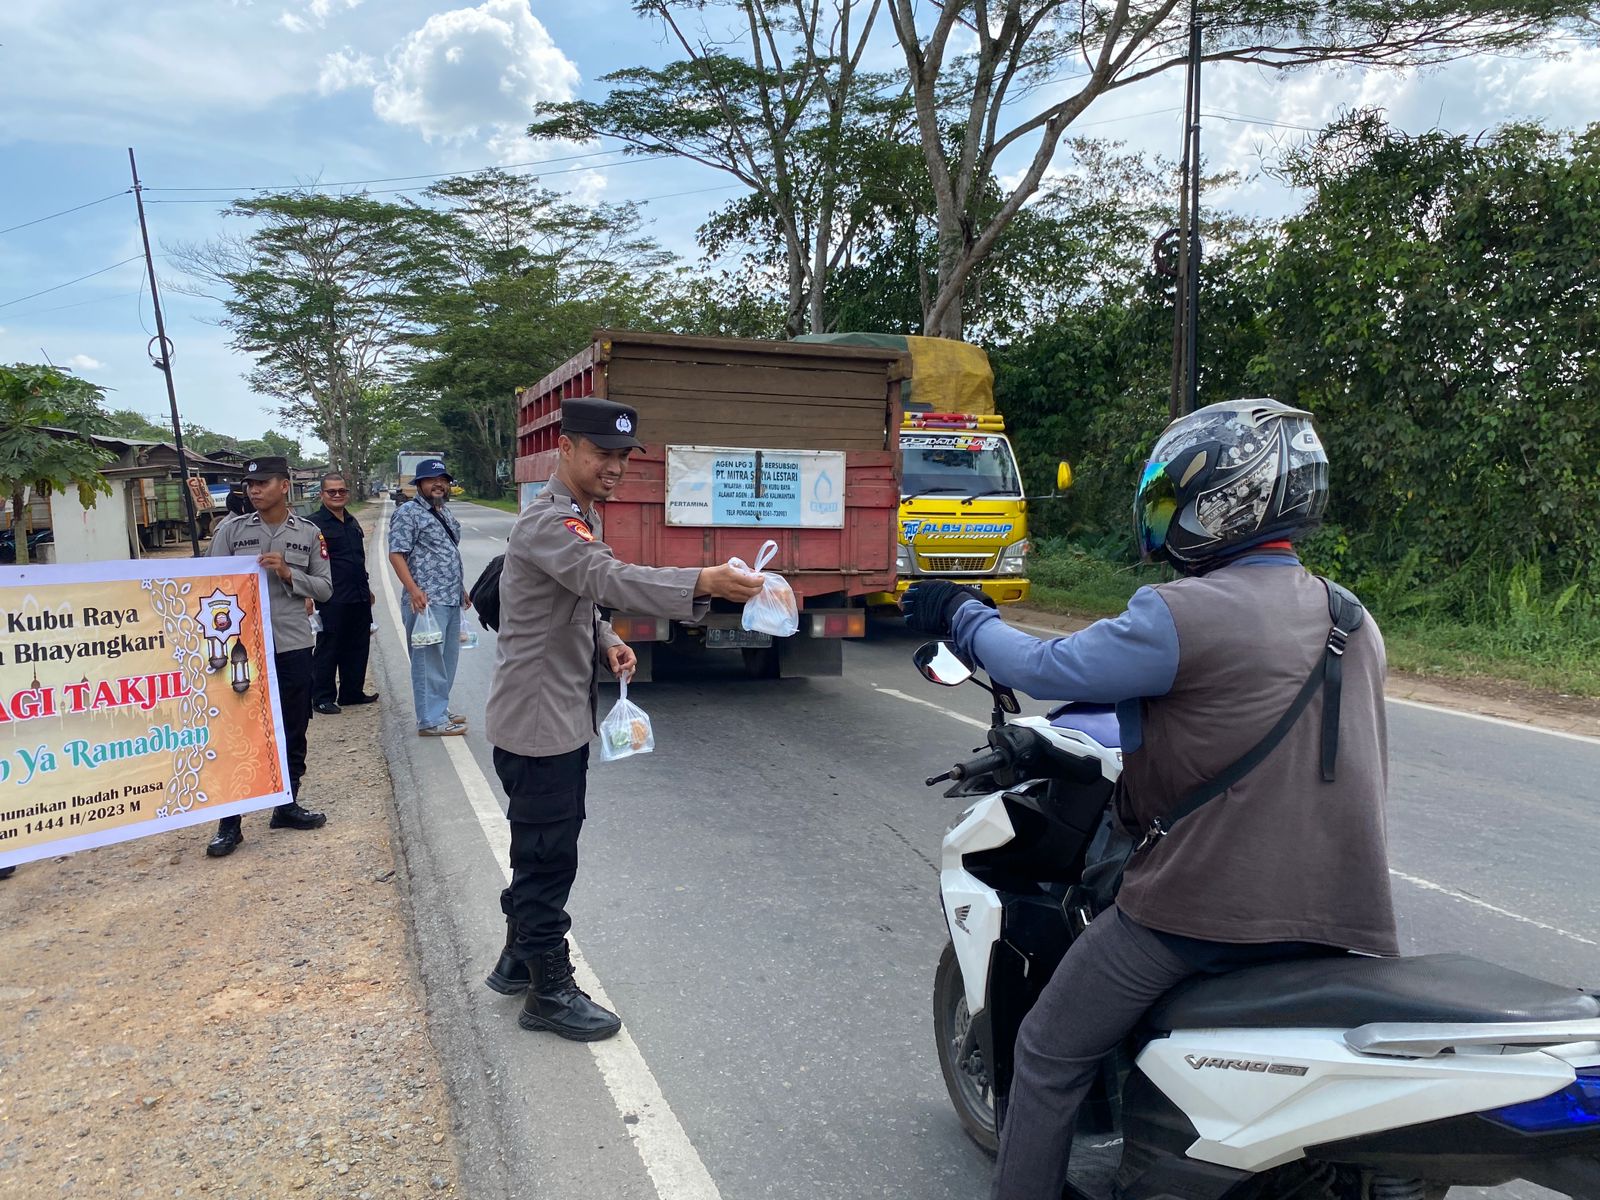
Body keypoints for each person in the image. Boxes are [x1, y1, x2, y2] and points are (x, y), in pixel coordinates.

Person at [902, 399, 1396, 1200]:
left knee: (1047, 1050)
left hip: (1205, 916)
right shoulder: (1352, 616)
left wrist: (961, 612)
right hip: (1348, 914)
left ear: (1222, 502)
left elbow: (1044, 669)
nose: (1161, 520)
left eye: (1170, 501)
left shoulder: (1179, 613)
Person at [483, 398, 765, 1042]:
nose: (614, 467)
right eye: (601, 453)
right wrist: (704, 581)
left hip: (552, 714)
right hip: (538, 723)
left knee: (541, 846)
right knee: (548, 857)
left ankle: (517, 962)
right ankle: (548, 992)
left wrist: (605, 638)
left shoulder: (577, 514)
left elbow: (575, 598)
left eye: (622, 456)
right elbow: (605, 577)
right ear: (566, 449)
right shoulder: (551, 521)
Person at [206, 456, 334, 859]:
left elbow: (325, 589)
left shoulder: (309, 534)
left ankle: (286, 804)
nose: (254, 490)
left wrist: (288, 574)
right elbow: (208, 582)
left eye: (263, 483)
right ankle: (230, 823)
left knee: (293, 727)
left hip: (292, 644)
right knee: (239, 732)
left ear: (284, 485)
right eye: (250, 484)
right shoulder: (231, 531)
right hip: (242, 649)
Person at [387, 460, 471, 737]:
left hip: (449, 598)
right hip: (425, 602)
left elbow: (447, 553)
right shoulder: (408, 513)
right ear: (419, 484)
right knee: (428, 662)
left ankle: (439, 709)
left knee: (446, 660)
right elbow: (396, 553)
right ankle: (430, 720)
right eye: (432, 479)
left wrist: (461, 589)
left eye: (443, 480)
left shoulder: (443, 511)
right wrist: (413, 590)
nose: (438, 484)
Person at [308, 472, 378, 715]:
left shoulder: (352, 521)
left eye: (342, 491)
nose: (337, 495)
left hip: (358, 595)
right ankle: (322, 697)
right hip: (331, 598)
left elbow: (356, 559)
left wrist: (367, 589)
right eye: (332, 491)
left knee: (358, 646)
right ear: (322, 494)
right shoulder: (313, 525)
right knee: (329, 647)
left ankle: (352, 693)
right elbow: (305, 563)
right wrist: (306, 595)